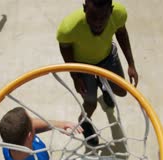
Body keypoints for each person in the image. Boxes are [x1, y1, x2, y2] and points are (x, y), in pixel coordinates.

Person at [57, 0, 138, 146]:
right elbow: (66, 49)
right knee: (91, 103)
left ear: (111, 10)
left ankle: (103, 84)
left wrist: (131, 64)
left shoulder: (119, 14)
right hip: (83, 66)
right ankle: (84, 121)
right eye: (93, 17)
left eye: (103, 18)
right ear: (85, 9)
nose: (98, 23)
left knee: (121, 91)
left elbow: (121, 33)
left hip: (107, 57)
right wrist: (75, 77)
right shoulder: (69, 28)